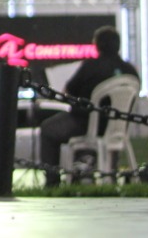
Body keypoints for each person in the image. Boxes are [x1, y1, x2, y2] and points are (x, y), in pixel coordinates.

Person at [38, 25, 138, 187]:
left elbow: (67, 92)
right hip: (117, 128)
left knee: (48, 129)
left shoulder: (91, 66)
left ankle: (52, 182)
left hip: (86, 124)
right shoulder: (130, 70)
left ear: (97, 44)